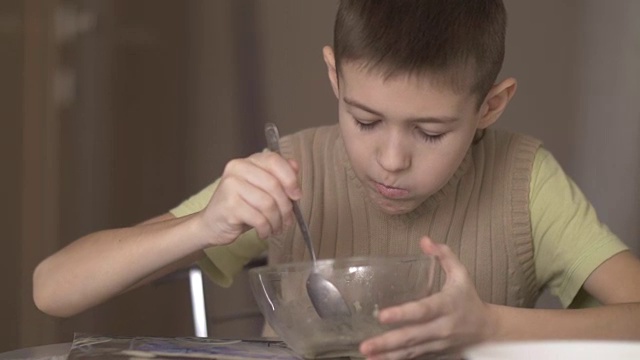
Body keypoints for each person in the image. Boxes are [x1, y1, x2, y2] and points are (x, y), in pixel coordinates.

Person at [33, 0, 640, 359]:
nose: (392, 159)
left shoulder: (524, 180)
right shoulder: (298, 169)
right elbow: (53, 289)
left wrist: (493, 325)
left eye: (430, 132)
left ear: (490, 106)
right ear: (335, 78)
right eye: (366, 119)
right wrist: (203, 224)